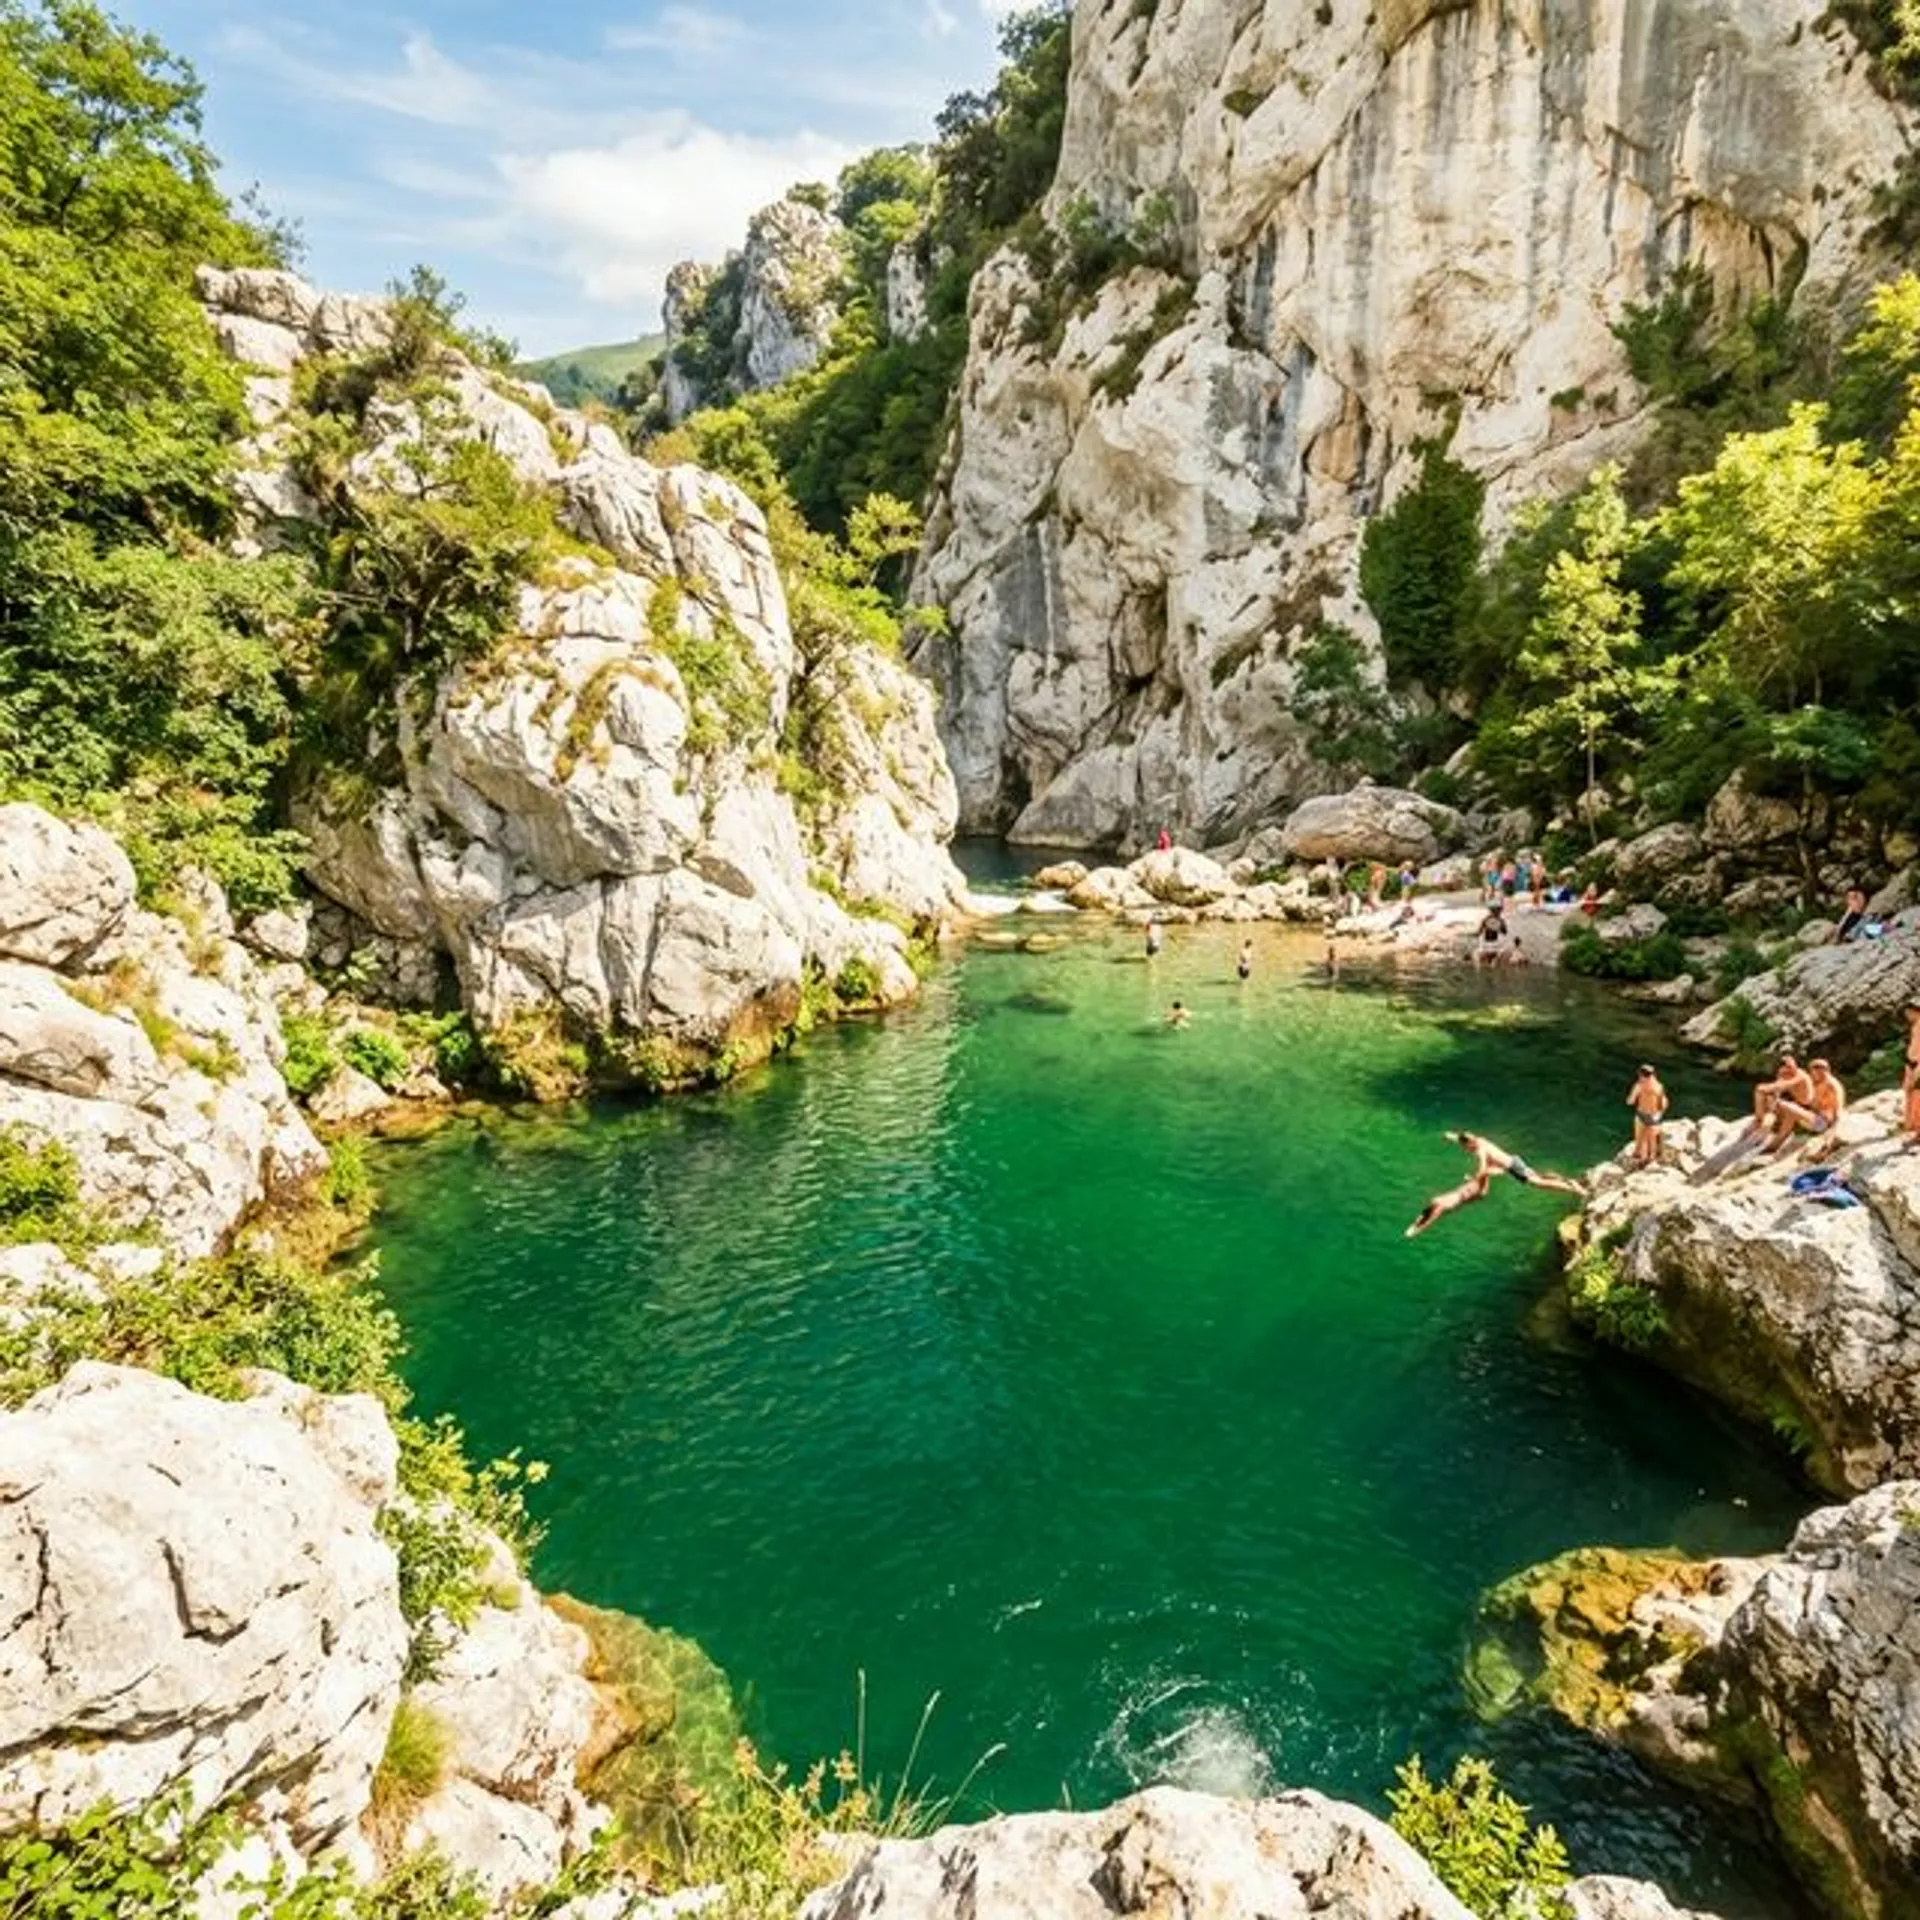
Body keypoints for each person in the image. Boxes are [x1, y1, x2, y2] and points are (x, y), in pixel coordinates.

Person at [1405, 1130, 1584, 1236]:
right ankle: (1567, 1180)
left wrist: (1474, 1178)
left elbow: (1483, 1167)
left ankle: (1572, 1188)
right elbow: (1461, 1137)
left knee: (1539, 1183)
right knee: (1539, 1176)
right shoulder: (1479, 1140)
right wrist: (1450, 1136)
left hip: (1512, 1167)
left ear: (1470, 1145)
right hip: (1514, 1160)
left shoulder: (1480, 1150)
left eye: (1466, 1147)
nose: (1466, 1150)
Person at [1771, 1058, 1846, 1154]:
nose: (1812, 1073)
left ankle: (1775, 1142)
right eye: (1811, 1070)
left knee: (1785, 1105)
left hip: (1822, 1124)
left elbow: (1839, 1111)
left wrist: (1831, 1136)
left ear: (1824, 1071)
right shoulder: (1816, 1083)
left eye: (1814, 1071)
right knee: (1790, 1108)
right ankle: (1776, 1141)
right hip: (1813, 1119)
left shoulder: (1833, 1086)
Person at [1626, 1063, 1669, 1166]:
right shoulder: (1659, 1086)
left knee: (1640, 1139)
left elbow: (1630, 1101)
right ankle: (1651, 1160)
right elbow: (1664, 1103)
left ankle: (1639, 1159)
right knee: (1652, 1142)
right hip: (1654, 1116)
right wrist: (1659, 1114)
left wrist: (1628, 1099)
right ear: (1653, 1074)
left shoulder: (1639, 1085)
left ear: (1641, 1075)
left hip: (1642, 1114)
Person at [1905, 1004, 1920, 1146]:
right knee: (1912, 1096)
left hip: (1918, 1066)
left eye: (1909, 1012)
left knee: (1917, 1098)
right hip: (1912, 1064)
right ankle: (1913, 1126)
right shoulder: (1916, 1026)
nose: (1907, 1016)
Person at [1474, 904, 1507, 969]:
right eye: (1499, 911)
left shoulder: (1486, 919)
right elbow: (1504, 932)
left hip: (1489, 944)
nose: (1500, 912)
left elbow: (1479, 932)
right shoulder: (1500, 920)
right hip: (1493, 944)